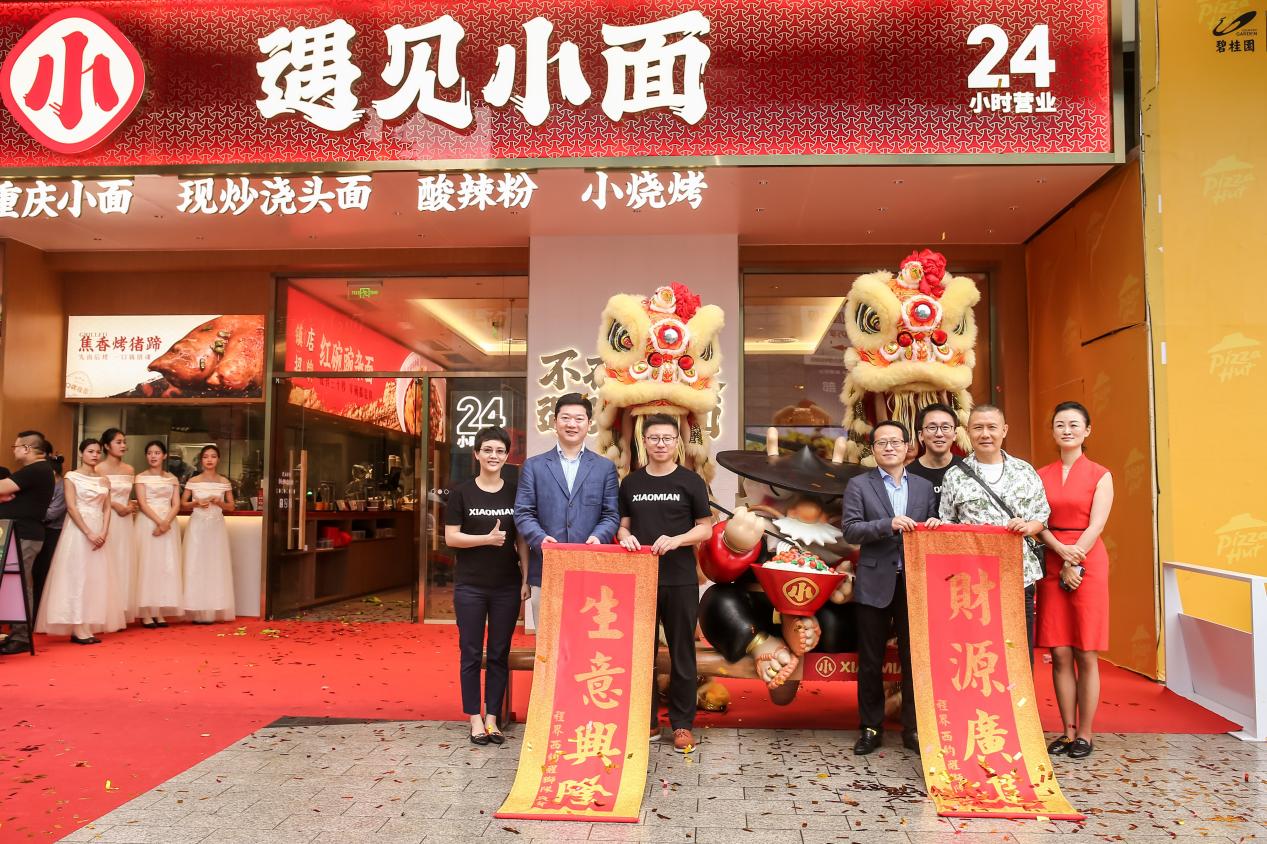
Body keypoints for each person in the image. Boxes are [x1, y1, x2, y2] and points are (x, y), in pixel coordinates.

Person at [842, 421, 940, 755]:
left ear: (908, 446)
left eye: (895, 442)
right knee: (871, 659)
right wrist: (889, 524)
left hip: (914, 582)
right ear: (873, 449)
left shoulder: (924, 487)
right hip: (874, 581)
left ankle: (913, 728)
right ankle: (870, 728)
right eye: (882, 443)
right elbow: (851, 530)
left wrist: (934, 525)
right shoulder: (859, 484)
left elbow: (932, 527)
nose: (889, 447)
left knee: (915, 658)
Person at [616, 415, 713, 752]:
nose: (660, 444)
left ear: (676, 442)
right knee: (641, 653)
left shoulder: (690, 481)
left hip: (680, 579)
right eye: (654, 438)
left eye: (667, 438)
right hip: (640, 578)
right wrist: (624, 537)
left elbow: (706, 528)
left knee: (682, 652)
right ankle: (646, 720)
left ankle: (682, 724)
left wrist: (677, 540)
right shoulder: (631, 482)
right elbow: (623, 525)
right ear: (644, 441)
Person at [939, 405, 1050, 658]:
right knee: (978, 649)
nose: (985, 434)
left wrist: (1027, 527)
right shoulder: (954, 476)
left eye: (992, 427)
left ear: (1004, 430)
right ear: (968, 432)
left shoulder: (1024, 471)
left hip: (1018, 574)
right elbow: (948, 524)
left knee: (1018, 651)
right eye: (978, 428)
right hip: (972, 580)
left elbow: (1042, 516)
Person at [1036, 401, 1113, 760]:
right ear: (1053, 431)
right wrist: (1060, 553)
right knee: (1060, 651)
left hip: (1088, 559)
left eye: (1074, 424)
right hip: (1052, 556)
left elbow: (1097, 524)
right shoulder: (1040, 474)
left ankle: (1086, 733)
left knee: (1086, 650)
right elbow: (1038, 522)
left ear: (1087, 430)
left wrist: (1074, 559)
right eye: (1060, 424)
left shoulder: (1101, 474)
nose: (1067, 430)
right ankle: (1066, 731)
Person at [444, 426, 529, 746]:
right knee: (470, 652)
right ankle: (474, 718)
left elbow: (522, 540)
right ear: (477, 454)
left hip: (506, 586)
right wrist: (487, 539)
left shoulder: (515, 493)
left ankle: (493, 717)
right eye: (488, 450)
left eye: (500, 451)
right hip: (471, 586)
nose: (494, 456)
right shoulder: (461, 493)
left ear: (507, 456)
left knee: (498, 652)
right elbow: (451, 537)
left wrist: (525, 579)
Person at [514, 393, 619, 628]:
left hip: (590, 568)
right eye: (566, 418)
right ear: (555, 422)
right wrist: (541, 539)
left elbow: (611, 514)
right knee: (548, 640)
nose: (572, 424)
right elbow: (523, 512)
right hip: (546, 567)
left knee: (586, 638)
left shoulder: (604, 468)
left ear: (589, 424)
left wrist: (598, 537)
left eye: (579, 419)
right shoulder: (534, 466)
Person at [34, 439, 112, 644]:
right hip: (78, 530)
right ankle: (77, 626)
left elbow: (107, 508)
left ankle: (87, 623)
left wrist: (104, 531)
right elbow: (71, 507)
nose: (95, 455)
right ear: (81, 453)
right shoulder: (71, 476)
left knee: (94, 577)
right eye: (90, 451)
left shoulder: (104, 480)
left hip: (99, 529)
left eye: (98, 452)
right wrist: (88, 532)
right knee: (77, 575)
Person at [0, 431, 58, 654]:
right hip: (18, 533)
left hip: (24, 534)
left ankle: (22, 636)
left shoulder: (37, 469)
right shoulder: (34, 471)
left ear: (27, 448)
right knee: (13, 583)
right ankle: (16, 633)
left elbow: (3, 488)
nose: (13, 451)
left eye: (15, 447)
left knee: (20, 585)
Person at [181, 445, 235, 624]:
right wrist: (196, 503)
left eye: (213, 456)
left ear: (218, 459)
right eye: (206, 457)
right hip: (197, 525)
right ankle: (196, 609)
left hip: (216, 526)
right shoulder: (193, 481)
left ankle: (213, 608)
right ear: (201, 460)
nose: (209, 460)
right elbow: (183, 504)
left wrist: (219, 502)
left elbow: (231, 506)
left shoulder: (224, 481)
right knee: (195, 564)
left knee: (215, 564)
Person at [133, 441, 183, 628]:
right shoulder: (140, 477)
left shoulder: (172, 479)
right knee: (147, 564)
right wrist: (159, 522)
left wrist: (166, 522)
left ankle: (159, 611)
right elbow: (142, 503)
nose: (153, 456)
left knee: (165, 566)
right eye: (149, 453)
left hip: (169, 524)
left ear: (164, 455)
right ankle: (146, 612)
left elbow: (176, 504)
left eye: (157, 452)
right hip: (148, 522)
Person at [98, 428, 137, 630]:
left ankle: (120, 611)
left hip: (125, 520)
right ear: (106, 446)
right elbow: (97, 496)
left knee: (123, 561)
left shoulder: (129, 469)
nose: (123, 445)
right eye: (118, 442)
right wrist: (116, 506)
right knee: (108, 561)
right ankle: (104, 611)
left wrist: (129, 506)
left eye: (124, 442)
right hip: (108, 517)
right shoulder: (99, 469)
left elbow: (128, 495)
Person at [906, 402, 964, 509]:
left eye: (945, 427)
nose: (939, 434)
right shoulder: (908, 475)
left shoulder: (967, 469)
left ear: (955, 434)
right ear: (921, 435)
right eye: (932, 427)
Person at [31, 448, 67, 622]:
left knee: (47, 573)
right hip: (41, 530)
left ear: (52, 473)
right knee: (37, 573)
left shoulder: (63, 488)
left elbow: (52, 513)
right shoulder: (46, 486)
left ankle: (44, 615)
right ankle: (35, 613)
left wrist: (32, 512)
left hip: (54, 533)